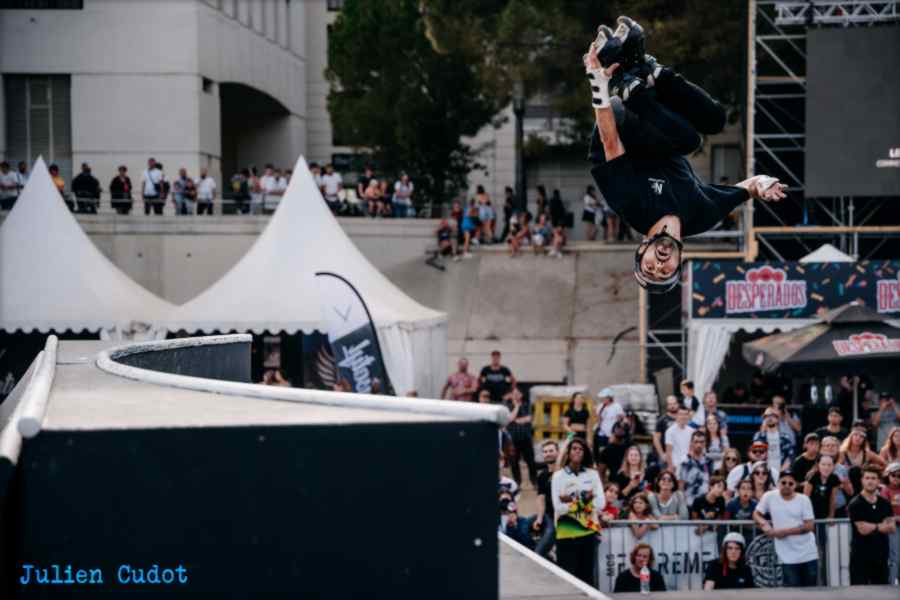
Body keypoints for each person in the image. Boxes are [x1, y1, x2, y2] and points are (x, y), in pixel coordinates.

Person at [583, 20, 786, 293]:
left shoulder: (635, 209)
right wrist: (763, 183)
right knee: (715, 119)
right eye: (664, 271)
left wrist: (599, 85)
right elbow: (749, 188)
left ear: (643, 248)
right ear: (679, 261)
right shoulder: (703, 215)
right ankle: (643, 65)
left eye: (650, 267)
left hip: (618, 128)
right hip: (656, 125)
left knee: (689, 140)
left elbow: (610, 144)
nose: (659, 265)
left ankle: (622, 81)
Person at [551, 437, 604, 585]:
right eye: (574, 448)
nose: (577, 451)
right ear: (568, 452)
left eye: (581, 449)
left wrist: (571, 500)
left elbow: (600, 503)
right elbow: (559, 508)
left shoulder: (592, 474)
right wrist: (585, 500)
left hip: (588, 532)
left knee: (587, 580)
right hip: (566, 533)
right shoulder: (558, 476)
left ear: (585, 453)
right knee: (567, 581)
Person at [753, 470, 818, 587]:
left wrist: (784, 532)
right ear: (778, 483)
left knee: (811, 590)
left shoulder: (803, 499)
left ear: (796, 485)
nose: (787, 485)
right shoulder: (769, 496)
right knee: (791, 592)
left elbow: (809, 525)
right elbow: (756, 513)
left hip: (808, 552)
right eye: (783, 482)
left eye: (790, 483)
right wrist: (765, 524)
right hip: (786, 556)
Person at [848, 465, 896, 585]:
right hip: (860, 558)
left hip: (881, 557)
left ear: (878, 481)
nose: (870, 481)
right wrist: (881, 526)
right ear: (862, 480)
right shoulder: (855, 503)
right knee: (860, 594)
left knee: (882, 593)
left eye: (873, 478)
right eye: (867, 478)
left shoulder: (885, 504)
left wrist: (873, 526)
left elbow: (891, 527)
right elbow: (862, 529)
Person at [504, 386, 537, 488]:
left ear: (521, 395)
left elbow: (529, 418)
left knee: (531, 461)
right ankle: (517, 483)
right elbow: (509, 419)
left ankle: (534, 482)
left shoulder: (527, 405)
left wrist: (516, 419)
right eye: (514, 393)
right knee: (514, 462)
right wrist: (516, 407)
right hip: (513, 439)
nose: (516, 395)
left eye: (517, 393)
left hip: (526, 437)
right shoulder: (507, 406)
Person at [532, 440, 560, 557]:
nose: (547, 453)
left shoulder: (565, 471)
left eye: (551, 451)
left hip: (565, 515)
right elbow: (541, 498)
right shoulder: (542, 475)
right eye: (545, 452)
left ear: (558, 452)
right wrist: (539, 518)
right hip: (549, 514)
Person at [820, 435, 855, 518]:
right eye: (827, 445)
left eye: (833, 446)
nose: (830, 448)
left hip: (840, 508)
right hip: (821, 509)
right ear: (822, 448)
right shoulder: (815, 467)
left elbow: (850, 492)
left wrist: (844, 483)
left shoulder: (842, 468)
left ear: (838, 448)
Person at [753, 407, 794, 473]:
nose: (770, 418)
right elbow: (755, 454)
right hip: (763, 473)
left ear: (778, 418)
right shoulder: (759, 436)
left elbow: (790, 456)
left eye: (773, 416)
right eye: (767, 416)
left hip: (781, 472)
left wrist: (781, 471)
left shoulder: (785, 437)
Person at [679, 430, 712, 506]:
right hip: (689, 503)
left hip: (705, 503)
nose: (699, 445)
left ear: (705, 443)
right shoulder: (685, 461)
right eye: (696, 442)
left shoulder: (709, 461)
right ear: (691, 443)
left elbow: (710, 483)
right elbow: (681, 486)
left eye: (701, 442)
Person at [803, 453, 840, 519]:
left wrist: (831, 516)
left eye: (829, 465)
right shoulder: (813, 477)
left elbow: (833, 499)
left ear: (833, 466)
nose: (826, 467)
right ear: (818, 465)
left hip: (825, 512)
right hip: (811, 512)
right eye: (823, 464)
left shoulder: (834, 478)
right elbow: (806, 498)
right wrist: (807, 516)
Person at [880, 462, 900, 585]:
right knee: (894, 557)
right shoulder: (885, 491)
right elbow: (884, 511)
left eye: (899, 475)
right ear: (888, 475)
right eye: (893, 475)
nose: (896, 478)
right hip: (893, 528)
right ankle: (891, 584)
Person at [652, 395, 680, 468]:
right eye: (670, 404)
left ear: (678, 404)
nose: (672, 406)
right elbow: (656, 439)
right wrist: (662, 454)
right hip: (667, 454)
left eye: (674, 403)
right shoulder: (661, 420)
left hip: (680, 454)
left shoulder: (683, 418)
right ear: (667, 406)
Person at [665, 405, 694, 472]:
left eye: (685, 414)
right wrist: (671, 467)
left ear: (688, 416)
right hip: (675, 466)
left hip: (688, 465)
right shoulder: (670, 431)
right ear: (676, 416)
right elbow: (668, 452)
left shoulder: (692, 431)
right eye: (681, 414)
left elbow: (692, 449)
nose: (683, 417)